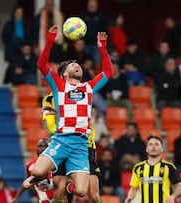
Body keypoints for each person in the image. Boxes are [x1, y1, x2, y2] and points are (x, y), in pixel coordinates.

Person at [24, 26, 112, 202]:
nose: (76, 66)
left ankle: (67, 184)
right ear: (64, 74)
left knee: (81, 192)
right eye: (72, 65)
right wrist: (50, 42)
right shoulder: (59, 85)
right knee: (36, 171)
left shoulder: (89, 87)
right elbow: (42, 65)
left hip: (81, 144)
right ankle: (44, 178)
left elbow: (108, 73)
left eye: (78, 65)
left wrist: (103, 49)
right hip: (62, 140)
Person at [40, 68, 102, 203]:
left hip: (84, 145)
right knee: (58, 191)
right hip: (63, 142)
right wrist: (63, 115)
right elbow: (51, 125)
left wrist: (59, 112)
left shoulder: (84, 91)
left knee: (92, 194)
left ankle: (70, 187)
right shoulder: (49, 98)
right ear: (63, 75)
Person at [125, 136, 181, 203]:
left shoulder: (169, 167)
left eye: (156, 144)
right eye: (150, 144)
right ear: (147, 149)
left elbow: (180, 187)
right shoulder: (138, 167)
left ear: (161, 149)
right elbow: (134, 188)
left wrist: (172, 197)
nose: (153, 147)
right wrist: (129, 197)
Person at [13, 139, 53, 203]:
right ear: (36, 149)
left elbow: (64, 181)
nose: (42, 149)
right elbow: (27, 181)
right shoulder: (30, 166)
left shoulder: (56, 164)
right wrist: (17, 197)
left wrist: (51, 186)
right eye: (40, 146)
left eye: (45, 146)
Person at [80, 0, 108, 65]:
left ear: (97, 6)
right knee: (84, 63)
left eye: (93, 5)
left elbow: (105, 30)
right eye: (90, 5)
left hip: (96, 45)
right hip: (85, 44)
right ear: (87, 6)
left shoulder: (101, 16)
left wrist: (102, 42)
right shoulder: (83, 16)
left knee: (97, 63)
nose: (92, 6)